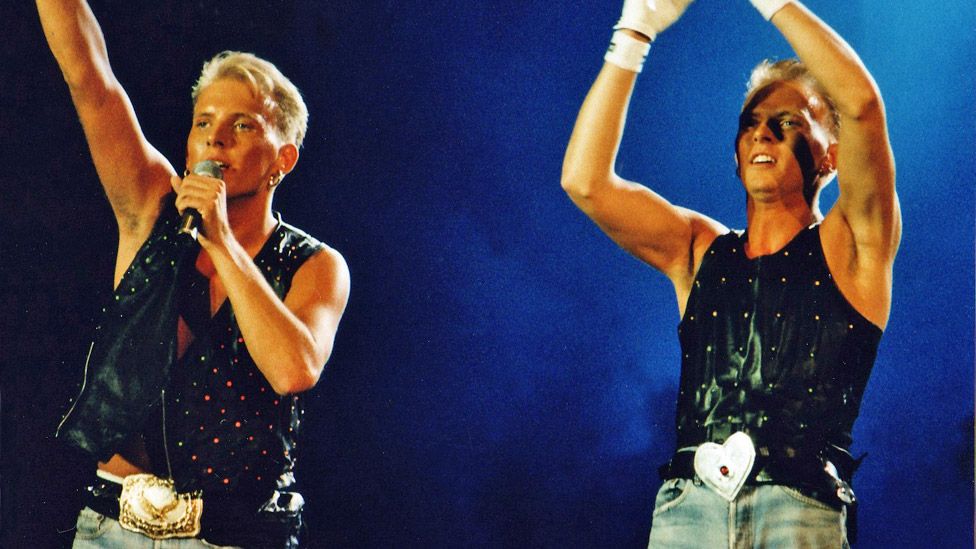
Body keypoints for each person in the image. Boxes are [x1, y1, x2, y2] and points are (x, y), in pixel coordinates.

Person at [562, 0, 899, 546]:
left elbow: (860, 105)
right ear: (737, 156)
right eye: (751, 124)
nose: (763, 134)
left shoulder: (855, 244)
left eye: (788, 122)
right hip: (685, 510)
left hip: (800, 512)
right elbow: (584, 181)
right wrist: (637, 27)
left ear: (831, 157)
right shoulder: (698, 249)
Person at [37, 1, 350, 547]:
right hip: (111, 528)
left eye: (241, 125)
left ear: (283, 159)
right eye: (203, 122)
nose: (215, 138)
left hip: (237, 536)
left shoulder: (315, 265)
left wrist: (222, 240)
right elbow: (89, 75)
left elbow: (293, 370)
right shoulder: (150, 205)